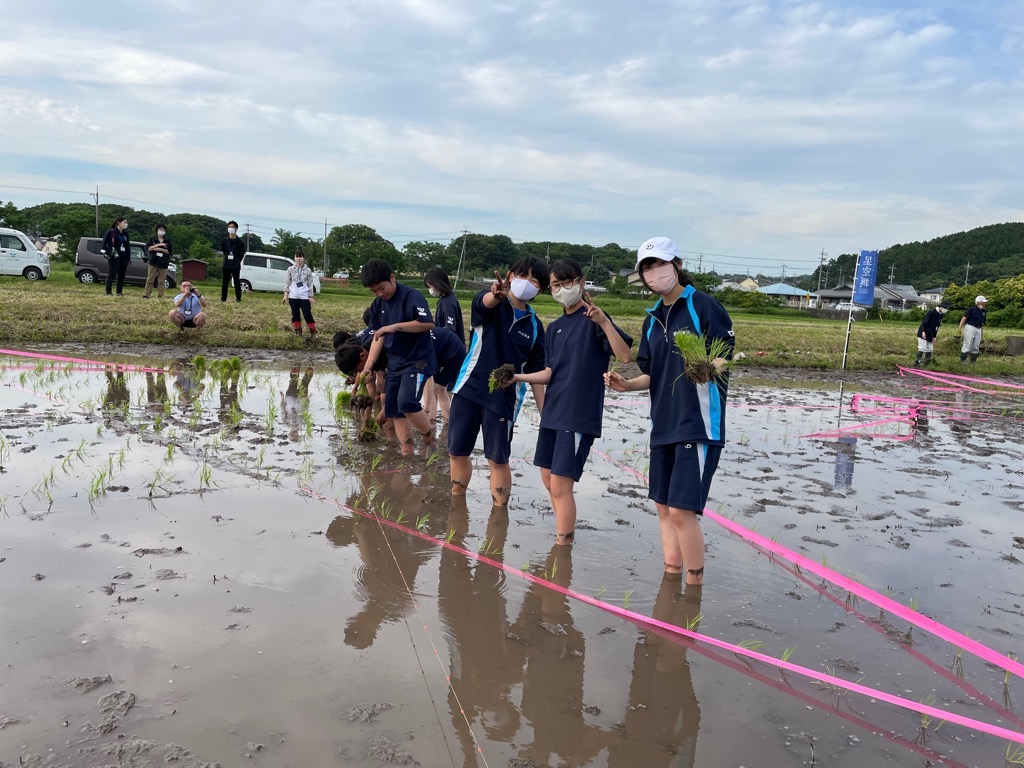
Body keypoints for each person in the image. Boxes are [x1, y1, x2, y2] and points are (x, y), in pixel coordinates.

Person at [605, 237, 734, 585]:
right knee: (663, 507)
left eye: (659, 264)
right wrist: (627, 384)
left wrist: (709, 367)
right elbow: (652, 373)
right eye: (647, 267)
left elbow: (725, 354)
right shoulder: (651, 320)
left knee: (681, 510)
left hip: (698, 423)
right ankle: (670, 578)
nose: (653, 272)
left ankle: (693, 588)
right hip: (662, 423)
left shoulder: (703, 305)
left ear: (676, 264)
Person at [507, 259, 633, 544]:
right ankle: (564, 535)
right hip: (553, 412)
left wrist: (604, 322)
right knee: (548, 479)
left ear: (581, 282)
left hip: (578, 414)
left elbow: (625, 356)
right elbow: (550, 373)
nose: (563, 289)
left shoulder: (596, 319)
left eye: (567, 282)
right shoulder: (554, 328)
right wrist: (517, 377)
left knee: (561, 484)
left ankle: (562, 546)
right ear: (549, 289)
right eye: (556, 285)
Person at [448, 257, 548, 506]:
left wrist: (545, 414)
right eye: (522, 275)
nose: (527, 282)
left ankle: (499, 512)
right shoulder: (491, 304)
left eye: (534, 280)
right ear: (510, 276)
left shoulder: (535, 326)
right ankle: (457, 502)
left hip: (504, 398)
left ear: (541, 289)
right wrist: (497, 296)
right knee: (457, 451)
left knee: (498, 459)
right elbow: (484, 304)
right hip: (469, 388)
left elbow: (537, 375)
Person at [356, 259, 437, 455]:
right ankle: (406, 451)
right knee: (394, 409)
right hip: (395, 362)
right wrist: (369, 365)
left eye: (382, 288)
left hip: (417, 360)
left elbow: (427, 324)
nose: (379, 294)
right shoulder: (378, 305)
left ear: (392, 278)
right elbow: (378, 337)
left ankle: (429, 440)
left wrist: (396, 326)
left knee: (407, 403)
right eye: (374, 291)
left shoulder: (411, 296)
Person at [423, 266, 465, 427]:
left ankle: (449, 424)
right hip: (447, 351)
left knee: (439, 388)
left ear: (438, 283)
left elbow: (449, 330)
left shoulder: (448, 303)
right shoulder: (445, 300)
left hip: (451, 352)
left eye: (431, 286)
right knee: (440, 389)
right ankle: (432, 421)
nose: (430, 290)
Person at [282, 251, 317, 337]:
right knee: (295, 314)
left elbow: (310, 283)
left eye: (300, 257)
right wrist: (285, 295)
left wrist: (310, 296)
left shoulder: (308, 270)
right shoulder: (290, 269)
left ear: (303, 258)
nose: (299, 259)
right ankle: (298, 332)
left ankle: (313, 332)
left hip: (304, 295)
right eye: (297, 257)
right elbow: (287, 282)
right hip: (293, 295)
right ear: (294, 258)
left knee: (307, 313)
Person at [914, 301, 951, 366]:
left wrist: (934, 336)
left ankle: (926, 363)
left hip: (931, 334)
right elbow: (924, 322)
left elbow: (937, 326)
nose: (946, 310)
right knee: (922, 348)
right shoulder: (931, 312)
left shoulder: (941, 314)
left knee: (930, 348)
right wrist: (923, 332)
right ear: (941, 307)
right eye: (945, 308)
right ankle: (917, 362)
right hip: (924, 332)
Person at [102, 216, 131, 297]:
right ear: (118, 222)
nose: (126, 224)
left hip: (123, 256)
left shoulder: (126, 234)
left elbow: (128, 247)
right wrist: (105, 252)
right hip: (114, 255)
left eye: (126, 222)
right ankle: (108, 291)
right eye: (124, 222)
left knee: (121, 275)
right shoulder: (111, 232)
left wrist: (128, 259)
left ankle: (119, 292)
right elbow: (104, 242)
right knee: (112, 274)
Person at [144, 223, 172, 299]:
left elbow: (170, 251)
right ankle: (147, 295)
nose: (162, 231)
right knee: (150, 279)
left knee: (161, 281)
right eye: (160, 229)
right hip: (153, 262)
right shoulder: (152, 239)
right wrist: (157, 245)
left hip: (163, 263)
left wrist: (161, 249)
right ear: (157, 230)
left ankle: (160, 296)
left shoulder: (167, 240)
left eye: (163, 230)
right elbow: (149, 248)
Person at [220, 220, 244, 302]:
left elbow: (242, 253)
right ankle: (223, 298)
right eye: (229, 227)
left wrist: (237, 260)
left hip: (235, 264)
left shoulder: (240, 242)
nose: (231, 229)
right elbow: (224, 251)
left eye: (232, 227)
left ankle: (238, 298)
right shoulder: (224, 241)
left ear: (236, 229)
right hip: (226, 264)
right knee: (225, 282)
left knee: (237, 282)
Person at [959, 295, 988, 363]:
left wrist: (982, 332)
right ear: (978, 302)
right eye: (983, 302)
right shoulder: (972, 309)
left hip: (978, 328)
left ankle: (973, 360)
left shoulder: (983, 311)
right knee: (968, 343)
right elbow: (964, 318)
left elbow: (982, 322)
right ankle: (963, 359)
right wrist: (960, 327)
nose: (984, 304)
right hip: (970, 327)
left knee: (976, 344)